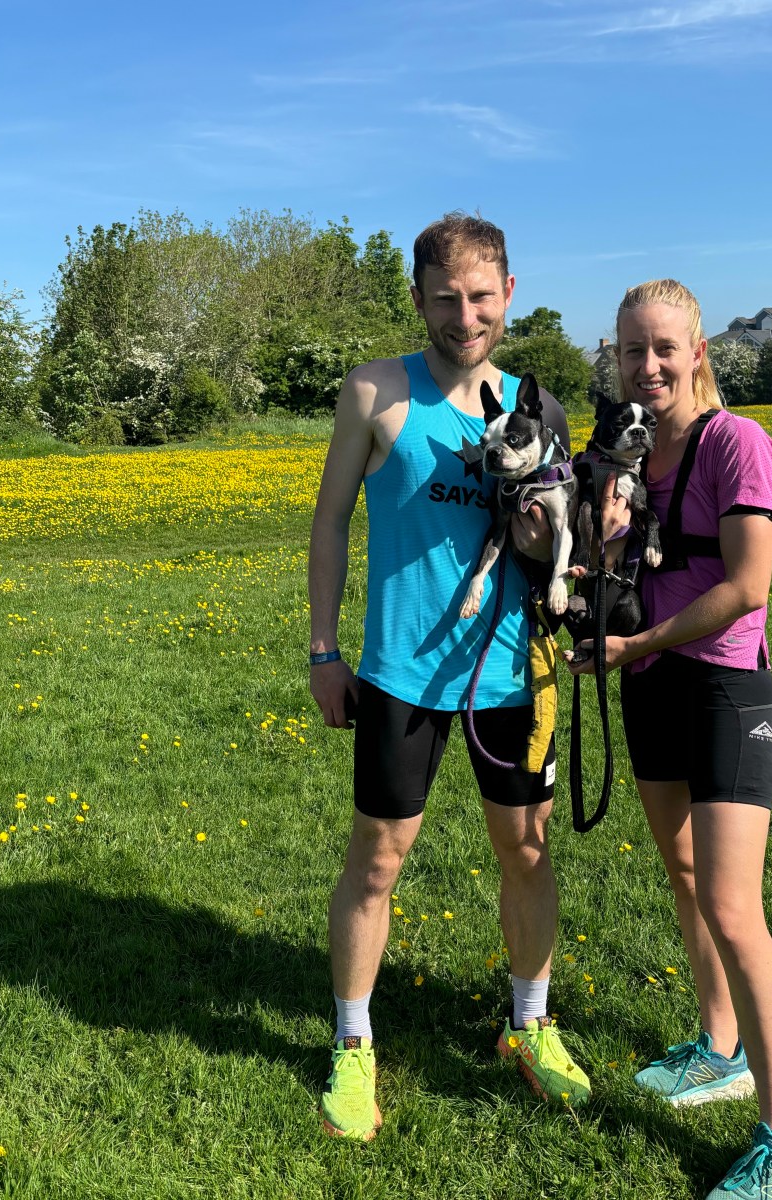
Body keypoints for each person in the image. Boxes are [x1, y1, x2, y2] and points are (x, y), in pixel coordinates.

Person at [307, 212, 590, 1142]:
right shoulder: (374, 392)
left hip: (516, 676)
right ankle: (354, 1047)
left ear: (509, 293)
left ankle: (530, 1027)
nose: (463, 316)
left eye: (480, 296)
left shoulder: (536, 408)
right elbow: (331, 525)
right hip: (400, 675)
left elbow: (557, 537)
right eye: (444, 298)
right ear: (419, 298)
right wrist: (323, 651)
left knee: (528, 853)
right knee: (377, 862)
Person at [567, 279, 772, 1198]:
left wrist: (641, 640)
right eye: (632, 351)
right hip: (649, 682)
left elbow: (749, 585)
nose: (649, 366)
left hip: (721, 687)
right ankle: (719, 1048)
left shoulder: (735, 445)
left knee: (733, 905)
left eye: (665, 348)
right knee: (682, 875)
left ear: (698, 348)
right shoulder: (630, 457)